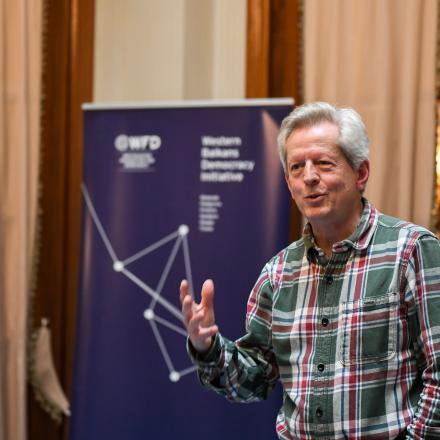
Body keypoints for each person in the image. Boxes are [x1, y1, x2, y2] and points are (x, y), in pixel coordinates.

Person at [179, 102, 440, 439]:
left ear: (361, 173)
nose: (310, 177)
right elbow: (254, 381)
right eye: (296, 167)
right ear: (288, 184)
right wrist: (207, 348)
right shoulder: (277, 274)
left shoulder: (411, 250)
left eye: (324, 163)